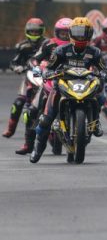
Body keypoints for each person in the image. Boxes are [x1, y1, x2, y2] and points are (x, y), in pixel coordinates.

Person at [30, 17, 107, 163]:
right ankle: (37, 149)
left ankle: (95, 121)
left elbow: (103, 68)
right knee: (45, 120)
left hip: (85, 83)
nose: (80, 37)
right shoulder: (61, 50)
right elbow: (50, 67)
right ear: (71, 33)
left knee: (100, 94)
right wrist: (47, 72)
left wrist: (106, 73)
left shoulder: (95, 52)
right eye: (77, 32)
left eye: (83, 33)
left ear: (89, 34)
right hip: (63, 83)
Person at [15, 18, 71, 155]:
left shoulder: (78, 45)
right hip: (50, 81)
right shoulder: (49, 43)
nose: (65, 36)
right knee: (32, 111)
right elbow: (35, 59)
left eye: (67, 33)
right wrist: (36, 69)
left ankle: (83, 130)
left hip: (71, 82)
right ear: (57, 32)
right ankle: (28, 144)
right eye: (62, 33)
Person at [4, 18, 46, 139]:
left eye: (36, 31)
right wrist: (17, 68)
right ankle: (10, 128)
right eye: (32, 31)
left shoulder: (47, 44)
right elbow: (13, 63)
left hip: (45, 76)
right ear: (27, 31)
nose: (34, 34)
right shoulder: (22, 46)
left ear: (42, 31)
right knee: (18, 103)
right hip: (29, 76)